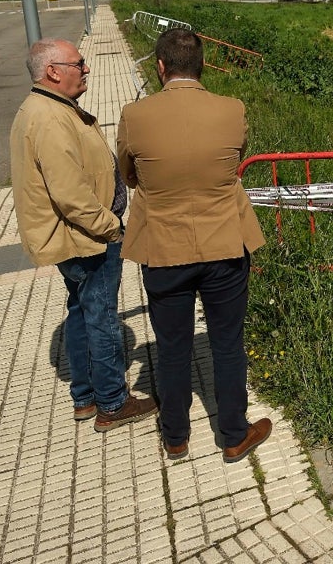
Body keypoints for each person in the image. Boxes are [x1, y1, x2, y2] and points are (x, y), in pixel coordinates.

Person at [117, 29, 271, 462]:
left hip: (163, 248)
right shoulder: (231, 109)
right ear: (201, 66)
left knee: (170, 346)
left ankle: (175, 437)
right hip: (224, 241)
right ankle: (234, 434)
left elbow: (128, 173)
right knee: (227, 342)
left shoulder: (134, 114)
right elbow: (237, 157)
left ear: (160, 67)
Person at [10, 38, 158, 432]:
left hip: (76, 236)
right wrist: (113, 228)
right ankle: (113, 402)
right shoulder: (49, 118)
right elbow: (71, 195)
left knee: (80, 311)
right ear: (54, 71)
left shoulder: (50, 108)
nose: (87, 68)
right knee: (101, 317)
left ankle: (85, 397)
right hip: (86, 238)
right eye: (79, 63)